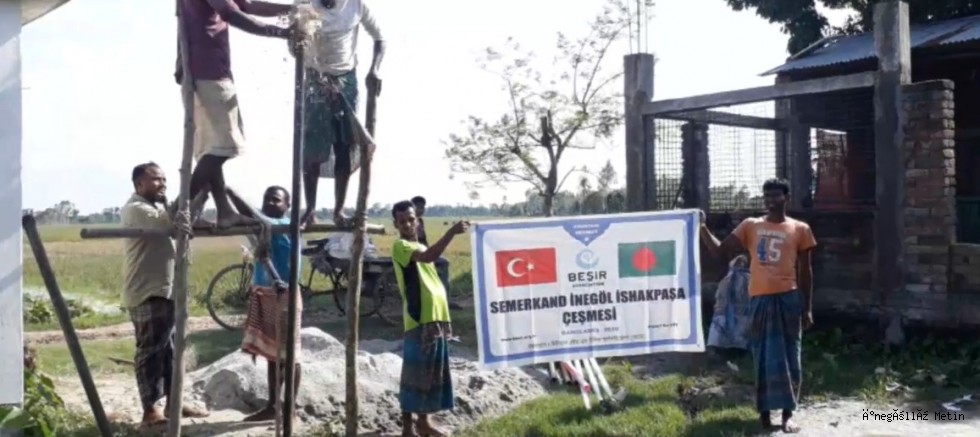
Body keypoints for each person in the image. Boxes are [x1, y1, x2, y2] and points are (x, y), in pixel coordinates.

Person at [699, 177, 816, 434]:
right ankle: (764, 414)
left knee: (791, 358)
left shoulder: (800, 229)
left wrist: (807, 308)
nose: (770, 200)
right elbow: (720, 252)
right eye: (767, 196)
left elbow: (805, 272)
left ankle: (787, 415)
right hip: (760, 301)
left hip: (789, 300)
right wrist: (702, 228)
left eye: (776, 195)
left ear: (786, 198)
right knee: (763, 357)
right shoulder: (750, 226)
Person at [175, 0, 293, 228]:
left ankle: (224, 211)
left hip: (200, 73)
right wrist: (282, 32)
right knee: (226, 146)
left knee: (214, 149)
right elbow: (233, 14)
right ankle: (180, 207)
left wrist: (291, 10)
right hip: (209, 72)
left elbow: (246, 5)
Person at [121, 162, 209, 429]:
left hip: (166, 290)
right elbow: (172, 222)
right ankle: (150, 411)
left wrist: (202, 195)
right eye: (156, 180)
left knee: (171, 350)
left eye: (164, 179)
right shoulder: (137, 209)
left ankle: (173, 402)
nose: (163, 184)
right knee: (150, 353)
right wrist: (193, 188)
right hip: (147, 291)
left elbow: (182, 220)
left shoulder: (156, 208)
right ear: (139, 184)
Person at [291, 0, 385, 228]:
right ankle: (310, 210)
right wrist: (297, 46)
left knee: (345, 146)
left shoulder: (355, 5)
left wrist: (375, 69)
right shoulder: (304, 4)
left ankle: (338, 210)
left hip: (346, 79)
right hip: (315, 78)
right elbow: (293, 44)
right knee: (312, 148)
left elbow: (380, 39)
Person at [390, 201, 469, 437]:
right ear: (395, 224)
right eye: (402, 221)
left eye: (411, 219)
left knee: (431, 374)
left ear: (417, 220)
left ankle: (424, 423)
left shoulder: (420, 245)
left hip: (436, 317)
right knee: (413, 374)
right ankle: (407, 428)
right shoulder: (401, 246)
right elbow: (428, 257)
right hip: (419, 318)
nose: (407, 224)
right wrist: (451, 233)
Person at [228, 186, 303, 423]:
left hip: (284, 294)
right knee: (272, 354)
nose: (270, 202)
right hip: (265, 293)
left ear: (287, 205)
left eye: (276, 199)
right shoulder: (265, 228)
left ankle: (289, 409)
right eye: (266, 198)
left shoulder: (285, 224)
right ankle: (273, 406)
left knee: (290, 355)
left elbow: (252, 214)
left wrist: (229, 191)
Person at [411, 196, 451, 293]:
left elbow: (424, 240)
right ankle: (443, 291)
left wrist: (430, 251)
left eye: (422, 207)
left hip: (424, 251)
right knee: (443, 263)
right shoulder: (410, 223)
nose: (421, 210)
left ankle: (441, 288)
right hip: (416, 253)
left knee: (442, 262)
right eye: (418, 207)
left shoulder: (420, 221)